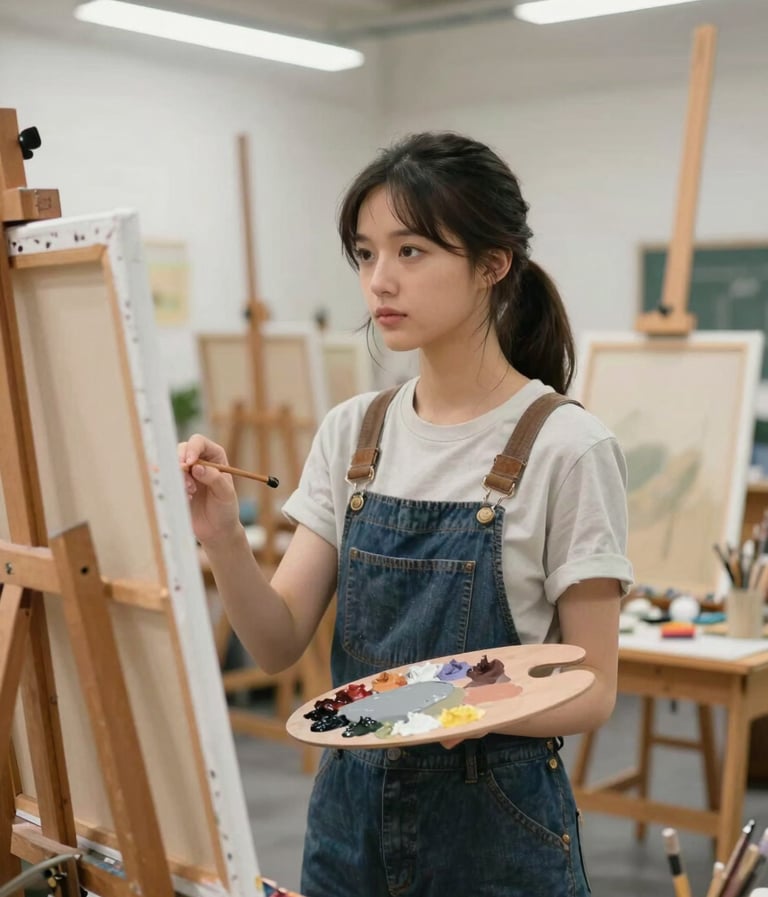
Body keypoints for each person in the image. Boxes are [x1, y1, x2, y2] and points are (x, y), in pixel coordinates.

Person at [180, 131, 634, 897]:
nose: (380, 280)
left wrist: (438, 708)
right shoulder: (355, 433)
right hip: (348, 824)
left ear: (494, 264)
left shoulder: (568, 446)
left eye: (412, 251)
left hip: (494, 828)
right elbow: (275, 641)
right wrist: (223, 535)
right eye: (365, 254)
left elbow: (592, 690)